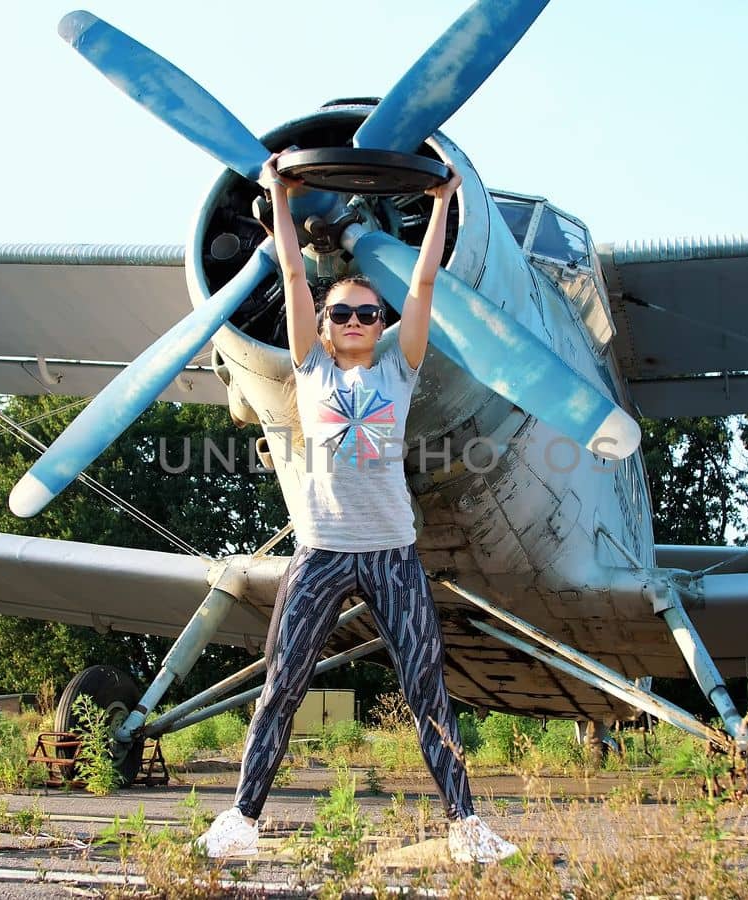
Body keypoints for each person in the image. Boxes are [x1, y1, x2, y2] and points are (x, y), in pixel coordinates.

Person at [195, 151, 517, 864]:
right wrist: (281, 195)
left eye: (367, 312)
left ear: (380, 323)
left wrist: (441, 204)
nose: (351, 319)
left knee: (427, 688)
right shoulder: (308, 364)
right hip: (320, 551)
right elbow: (288, 274)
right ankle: (241, 819)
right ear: (326, 319)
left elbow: (425, 279)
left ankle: (467, 826)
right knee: (283, 684)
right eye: (339, 310)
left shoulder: (401, 367)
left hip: (392, 554)